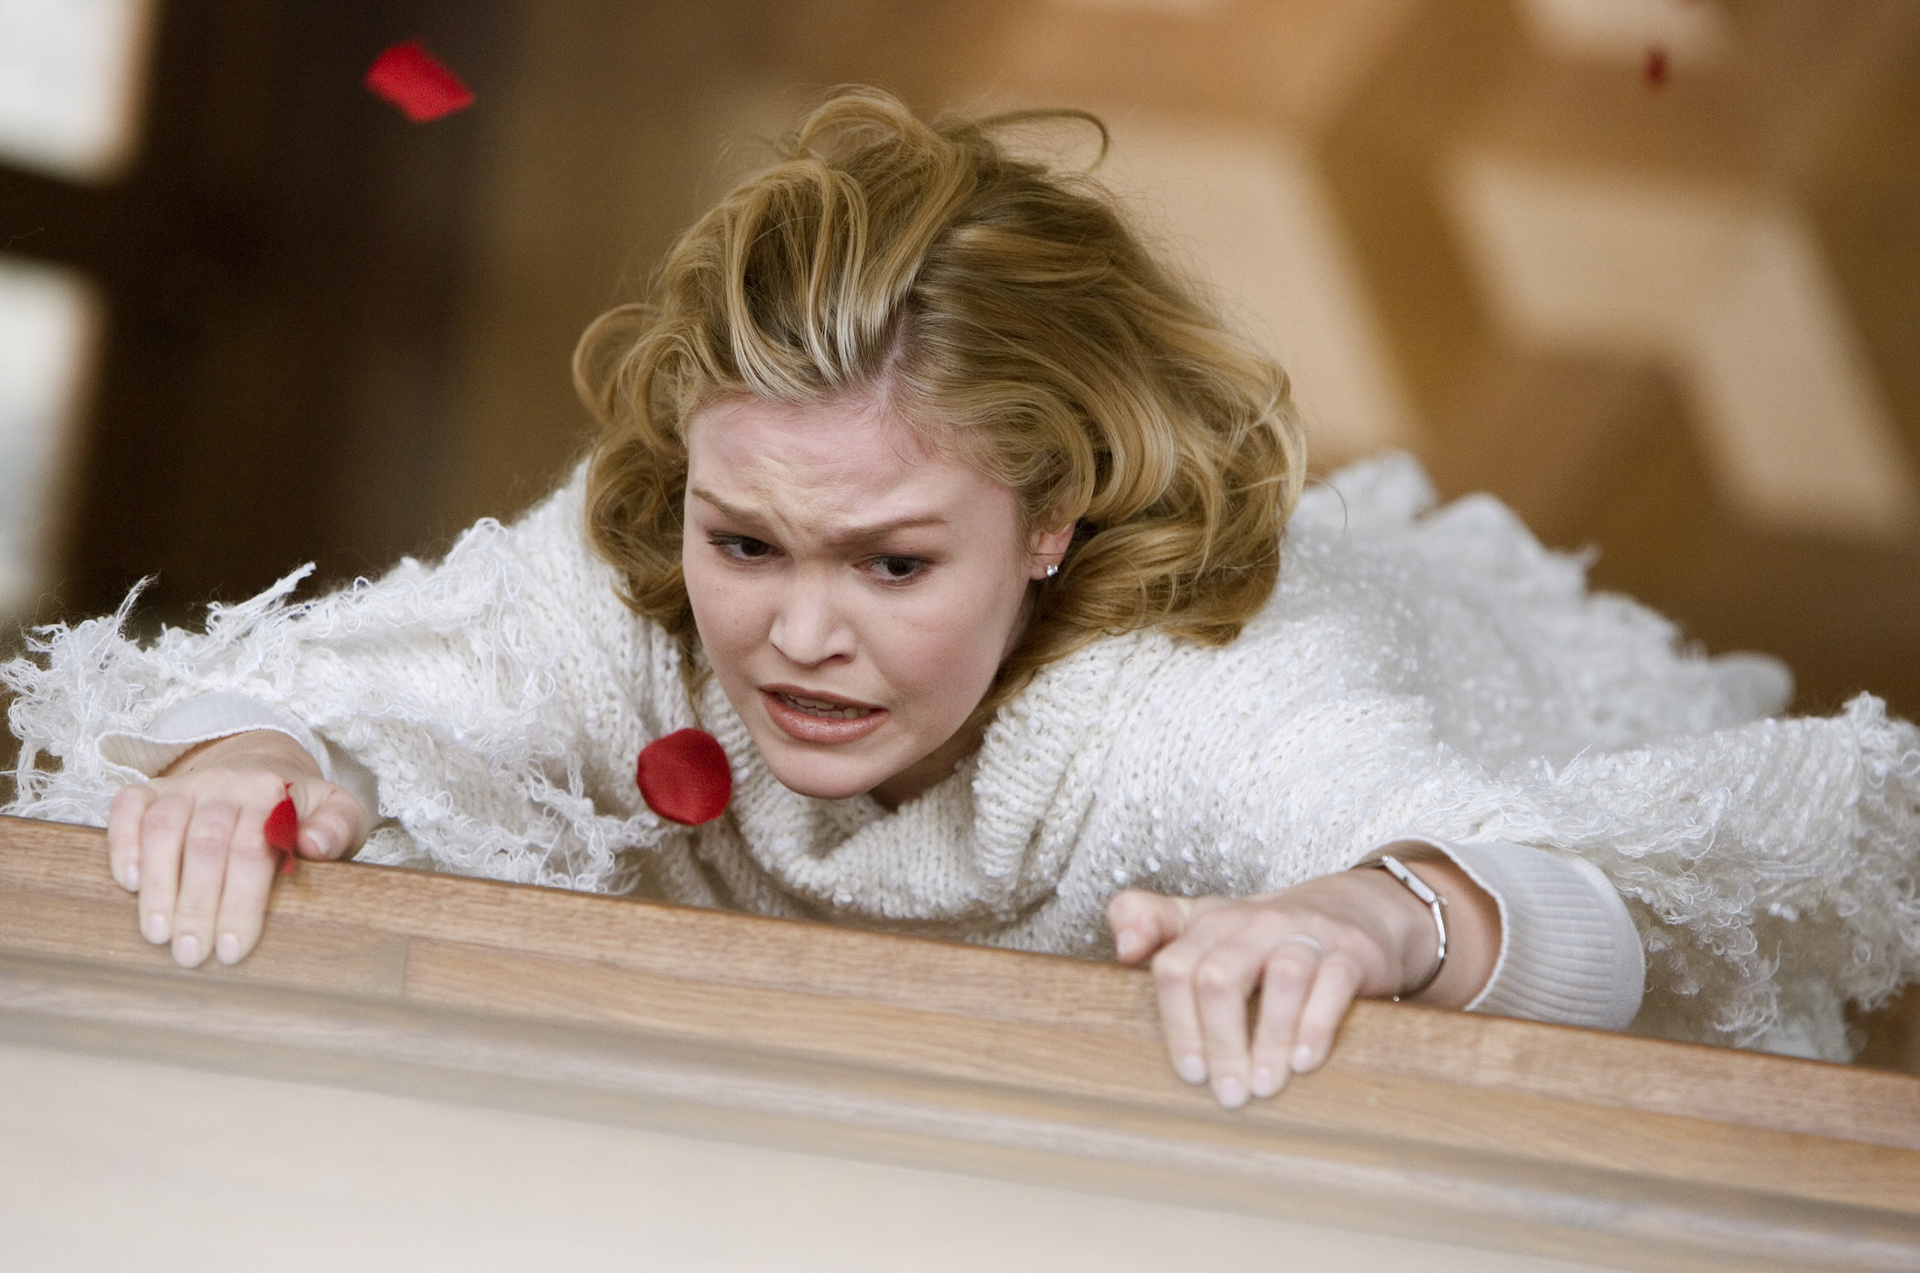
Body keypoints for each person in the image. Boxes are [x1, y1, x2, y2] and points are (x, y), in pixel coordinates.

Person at [5, 89, 1917, 1109]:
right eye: (748, 542)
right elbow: (324, 693)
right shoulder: (632, 562)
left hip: (1475, 707)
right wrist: (248, 761)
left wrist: (1367, 911)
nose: (795, 635)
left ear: (1054, 518)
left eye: (894, 562)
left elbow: (1613, 932)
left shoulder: (1202, 691)